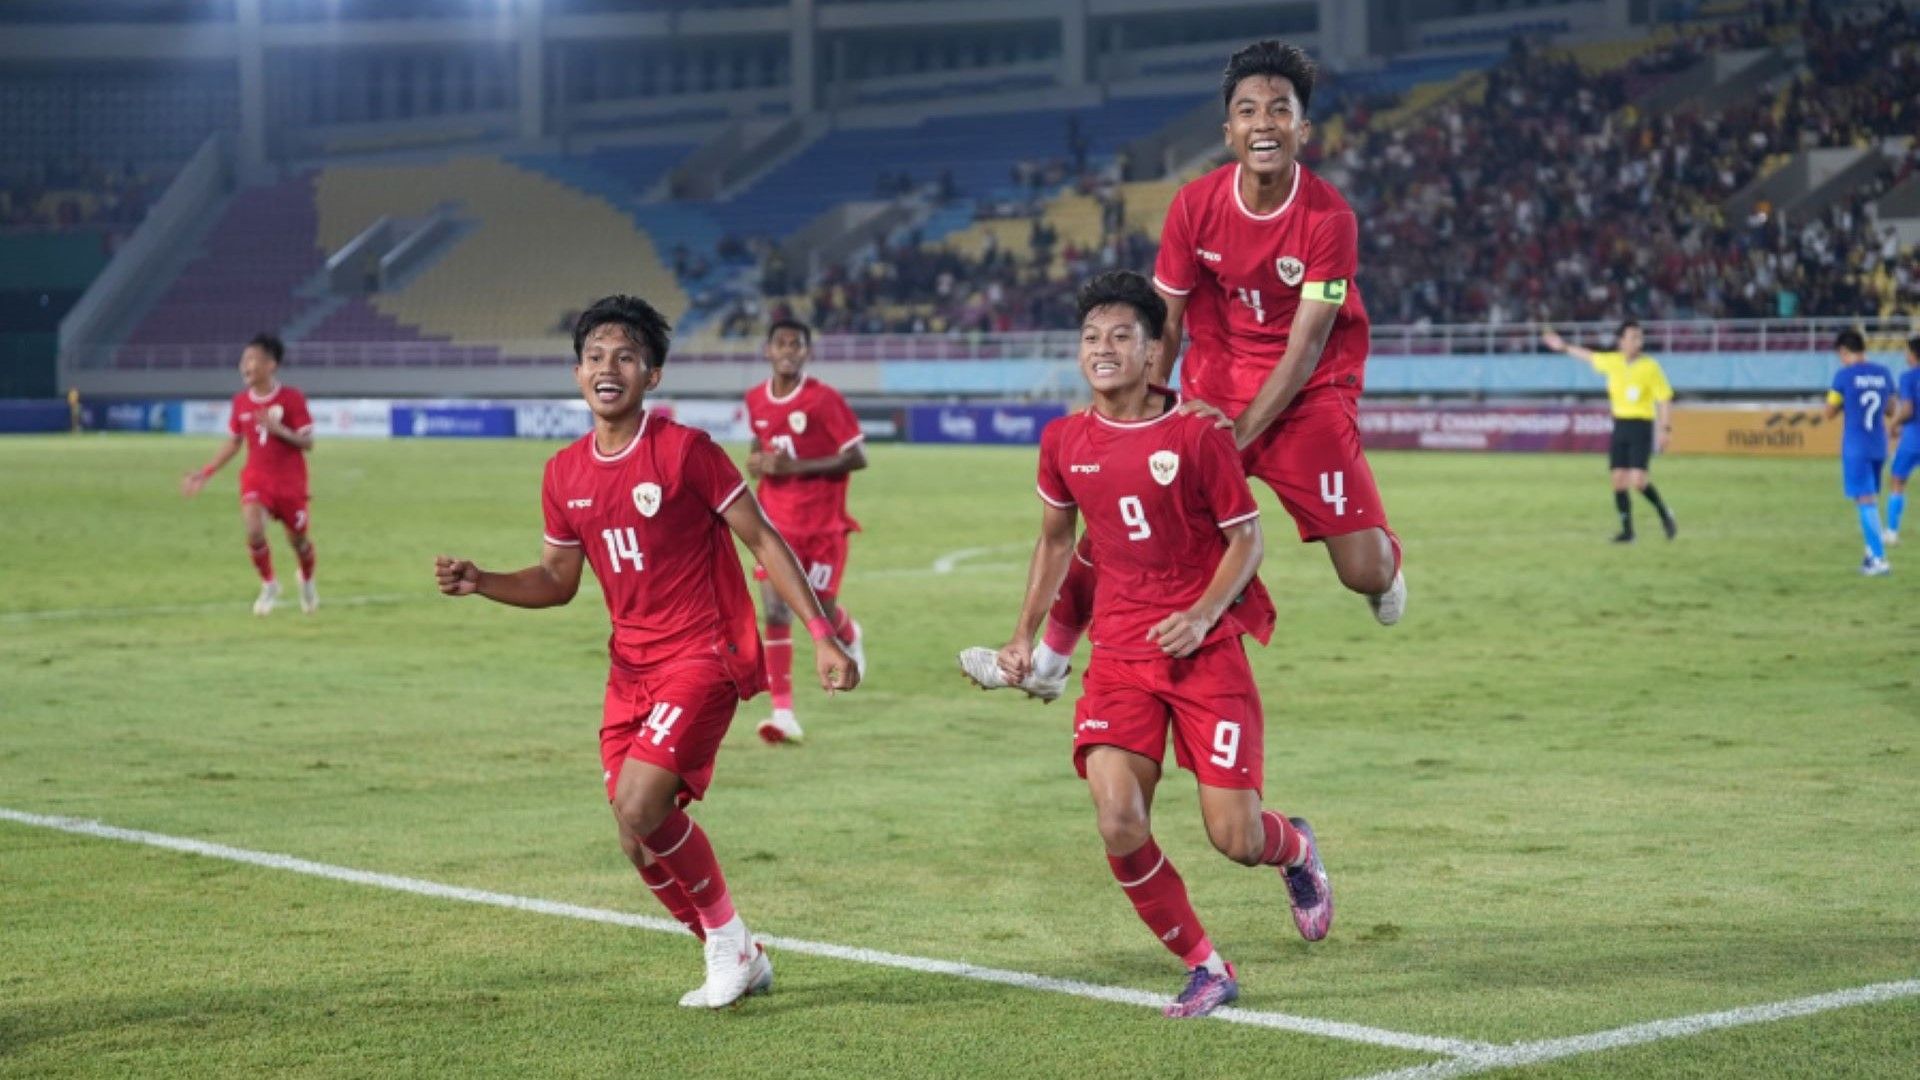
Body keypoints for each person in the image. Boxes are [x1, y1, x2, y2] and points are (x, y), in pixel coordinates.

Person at [433, 295, 858, 1008]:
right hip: (629, 670)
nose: (609, 368)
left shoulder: (687, 452)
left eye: (626, 357)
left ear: (651, 375)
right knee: (636, 836)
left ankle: (727, 945)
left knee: (639, 803)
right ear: (577, 373)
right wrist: (485, 582)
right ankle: (740, 954)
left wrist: (823, 636)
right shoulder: (563, 473)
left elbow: (762, 538)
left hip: (704, 653)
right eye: (595, 356)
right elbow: (557, 581)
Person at [960, 39, 1403, 701]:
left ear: (1303, 129)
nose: (1263, 123)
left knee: (1364, 572)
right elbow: (1165, 324)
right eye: (1248, 111)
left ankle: (1388, 567)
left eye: (1279, 110)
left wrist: (1235, 436)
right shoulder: (1194, 205)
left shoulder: (1329, 218)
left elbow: (1305, 348)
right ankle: (1048, 662)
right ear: (1228, 131)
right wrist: (1142, 417)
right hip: (1213, 386)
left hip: (1308, 395)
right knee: (1123, 505)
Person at [992, 271, 1331, 1020]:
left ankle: (1296, 849)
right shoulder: (1063, 440)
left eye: (1121, 336)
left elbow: (1247, 540)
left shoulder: (1199, 433)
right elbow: (1057, 544)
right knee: (1118, 820)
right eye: (1091, 337)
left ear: (1154, 353)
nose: (1102, 348)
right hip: (1120, 658)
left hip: (1206, 654)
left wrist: (1204, 615)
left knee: (1235, 838)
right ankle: (1207, 966)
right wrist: (1024, 637)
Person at [743, 318, 868, 744]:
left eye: (796, 344)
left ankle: (849, 633)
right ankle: (782, 714)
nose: (788, 351)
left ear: (807, 353)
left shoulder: (823, 400)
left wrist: (794, 467)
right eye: (781, 343)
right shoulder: (755, 399)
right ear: (768, 351)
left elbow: (857, 456)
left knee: (821, 609)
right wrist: (757, 461)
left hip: (821, 524)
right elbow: (760, 443)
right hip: (774, 525)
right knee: (776, 611)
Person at [180, 333, 318, 615]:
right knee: (254, 530)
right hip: (257, 478)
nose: (245, 366)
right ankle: (269, 584)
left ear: (270, 365)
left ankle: (306, 579)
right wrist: (205, 472)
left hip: (291, 482)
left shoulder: (292, 398)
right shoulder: (241, 401)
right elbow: (234, 442)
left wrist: (280, 430)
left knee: (298, 541)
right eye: (244, 360)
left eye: (252, 359)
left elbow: (308, 442)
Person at [1542, 321, 1679, 543]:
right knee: (1618, 480)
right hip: (1620, 425)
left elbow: (1664, 398)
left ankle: (1665, 513)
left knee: (1638, 481)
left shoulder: (1650, 367)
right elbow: (1589, 356)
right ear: (1621, 341)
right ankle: (1628, 532)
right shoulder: (1613, 362)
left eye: (1640, 337)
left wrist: (1665, 429)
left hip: (1641, 426)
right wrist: (1563, 347)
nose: (1638, 341)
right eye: (1633, 337)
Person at [1826, 329, 1896, 576]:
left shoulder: (1843, 376)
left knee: (1865, 501)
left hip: (1856, 447)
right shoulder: (1884, 373)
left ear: (1844, 351)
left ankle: (1879, 559)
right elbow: (1891, 409)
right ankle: (1869, 554)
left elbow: (1829, 412)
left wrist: (1847, 401)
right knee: (1870, 498)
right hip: (1879, 445)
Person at [1884, 336, 1920, 545]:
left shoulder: (1908, 377)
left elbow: (1907, 409)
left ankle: (1892, 532)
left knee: (1897, 481)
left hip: (1914, 439)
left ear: (1913, 354)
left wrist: (1894, 423)